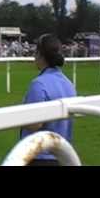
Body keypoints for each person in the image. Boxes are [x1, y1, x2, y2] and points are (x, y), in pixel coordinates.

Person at [20, 33, 77, 166]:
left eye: (35, 52)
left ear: (40, 54)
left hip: (39, 156)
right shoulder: (69, 83)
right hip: (64, 155)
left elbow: (34, 125)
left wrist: (16, 118)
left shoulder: (38, 84)